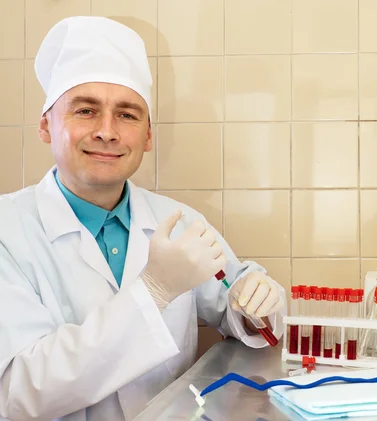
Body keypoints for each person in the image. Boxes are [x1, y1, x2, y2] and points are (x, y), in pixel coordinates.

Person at [0, 16, 287, 421]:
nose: (107, 131)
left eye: (128, 115)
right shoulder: (7, 232)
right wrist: (153, 291)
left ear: (148, 136)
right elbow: (18, 392)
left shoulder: (178, 220)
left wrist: (255, 304)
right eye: (85, 110)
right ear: (47, 125)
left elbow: (238, 305)